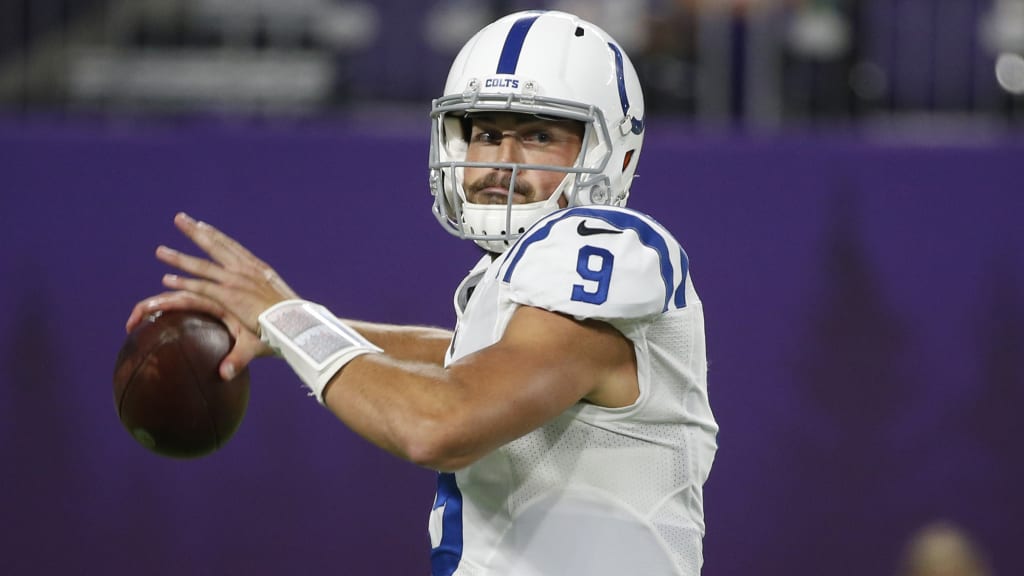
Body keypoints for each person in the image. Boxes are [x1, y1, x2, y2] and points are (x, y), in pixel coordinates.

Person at [126, 10, 718, 576]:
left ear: (617, 153)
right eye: (486, 134)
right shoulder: (518, 281)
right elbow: (467, 360)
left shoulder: (607, 245)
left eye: (538, 136)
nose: (500, 165)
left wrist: (288, 318)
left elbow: (443, 421)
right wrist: (285, 328)